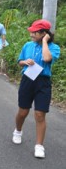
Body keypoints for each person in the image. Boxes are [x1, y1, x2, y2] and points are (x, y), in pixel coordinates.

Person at [12, 19, 60, 159]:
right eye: (32, 31)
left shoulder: (54, 47)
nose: (32, 34)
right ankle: (18, 131)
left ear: (44, 33)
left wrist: (45, 42)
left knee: (40, 114)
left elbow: (47, 59)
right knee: (23, 111)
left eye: (35, 32)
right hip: (28, 79)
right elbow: (20, 61)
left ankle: (39, 145)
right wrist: (25, 62)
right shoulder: (28, 45)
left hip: (43, 82)